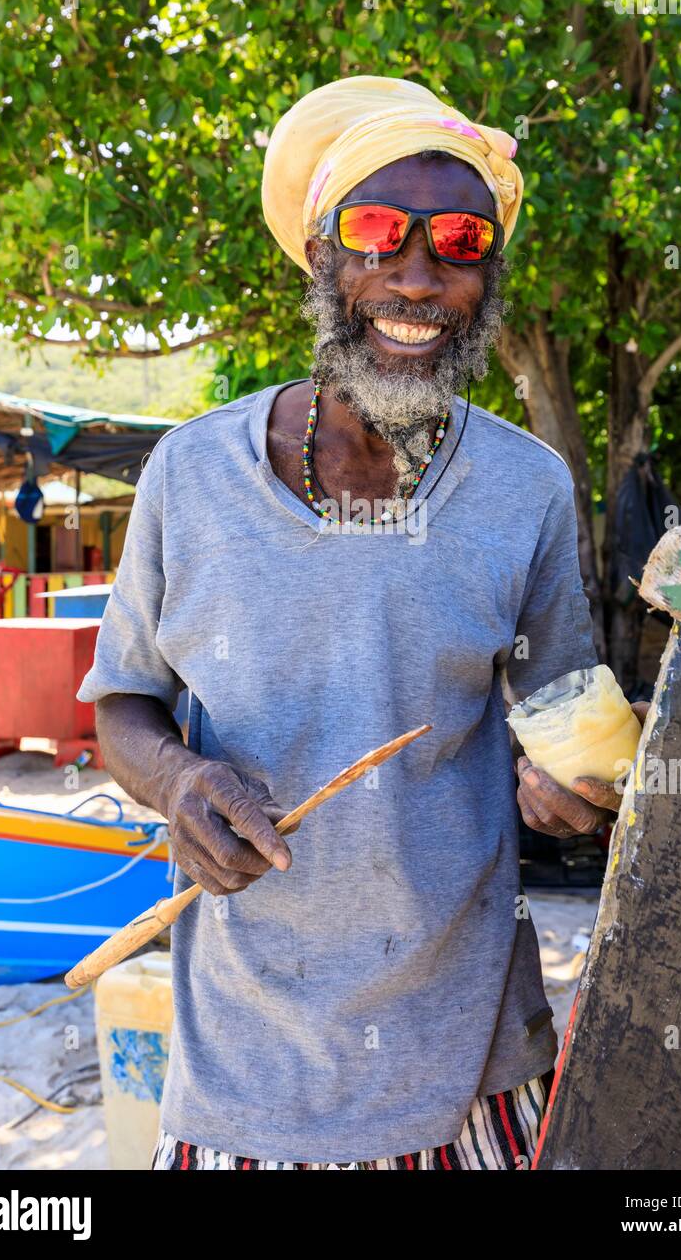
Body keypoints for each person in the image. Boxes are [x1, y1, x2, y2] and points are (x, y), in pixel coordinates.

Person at [79, 75, 646, 1170]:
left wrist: (581, 796)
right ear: (319, 256)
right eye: (377, 231)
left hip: (469, 1068)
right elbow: (123, 702)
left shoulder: (523, 489)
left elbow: (568, 726)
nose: (416, 276)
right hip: (243, 1069)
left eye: (458, 241)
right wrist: (181, 783)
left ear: (486, 275)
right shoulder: (190, 475)